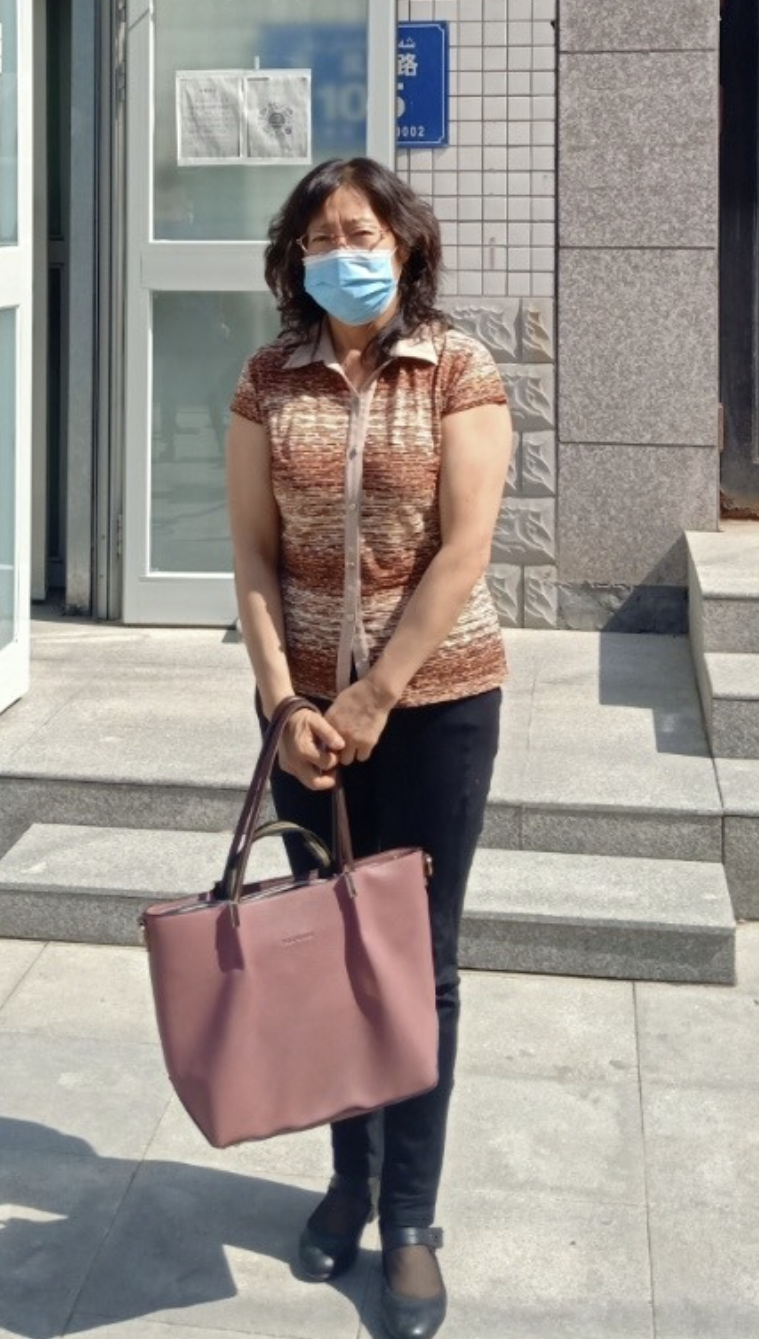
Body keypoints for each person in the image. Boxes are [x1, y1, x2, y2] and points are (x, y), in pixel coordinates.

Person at [226, 157, 512, 1339]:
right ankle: (348, 1179)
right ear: (294, 260)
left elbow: (465, 548)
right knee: (327, 948)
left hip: (435, 707)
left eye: (362, 231)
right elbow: (252, 553)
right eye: (319, 236)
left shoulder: (458, 367)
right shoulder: (267, 379)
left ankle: (409, 1219)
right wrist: (285, 702)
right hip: (305, 720)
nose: (341, 251)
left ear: (405, 244)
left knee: (418, 961)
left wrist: (376, 695)